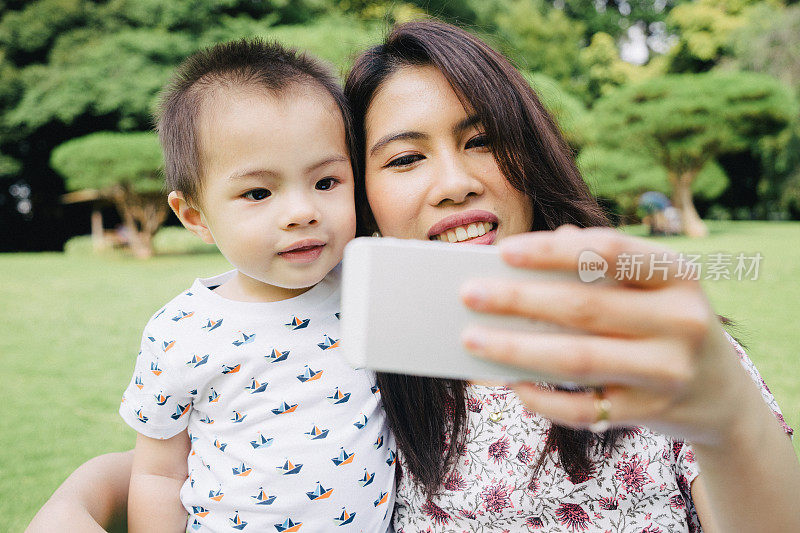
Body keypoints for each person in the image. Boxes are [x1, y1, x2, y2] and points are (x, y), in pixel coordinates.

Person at [27, 20, 800, 533]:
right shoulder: (377, 339)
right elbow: (228, 451)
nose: (455, 181)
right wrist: (79, 498)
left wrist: (727, 417)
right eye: (404, 157)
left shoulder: (649, 339)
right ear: (361, 196)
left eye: (482, 140)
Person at [118, 39, 394, 532]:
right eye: (258, 192)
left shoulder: (371, 284)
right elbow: (158, 473)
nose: (302, 212)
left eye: (326, 182)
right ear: (195, 216)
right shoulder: (180, 333)